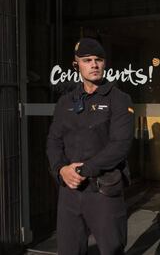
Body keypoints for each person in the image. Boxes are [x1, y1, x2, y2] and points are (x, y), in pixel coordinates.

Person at [47, 37, 134, 255]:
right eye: (87, 60)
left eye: (98, 60)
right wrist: (60, 170)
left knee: (111, 249)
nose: (94, 64)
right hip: (70, 191)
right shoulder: (65, 102)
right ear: (76, 64)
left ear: (104, 63)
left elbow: (120, 144)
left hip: (104, 190)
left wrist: (82, 170)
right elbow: (53, 141)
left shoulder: (119, 99)